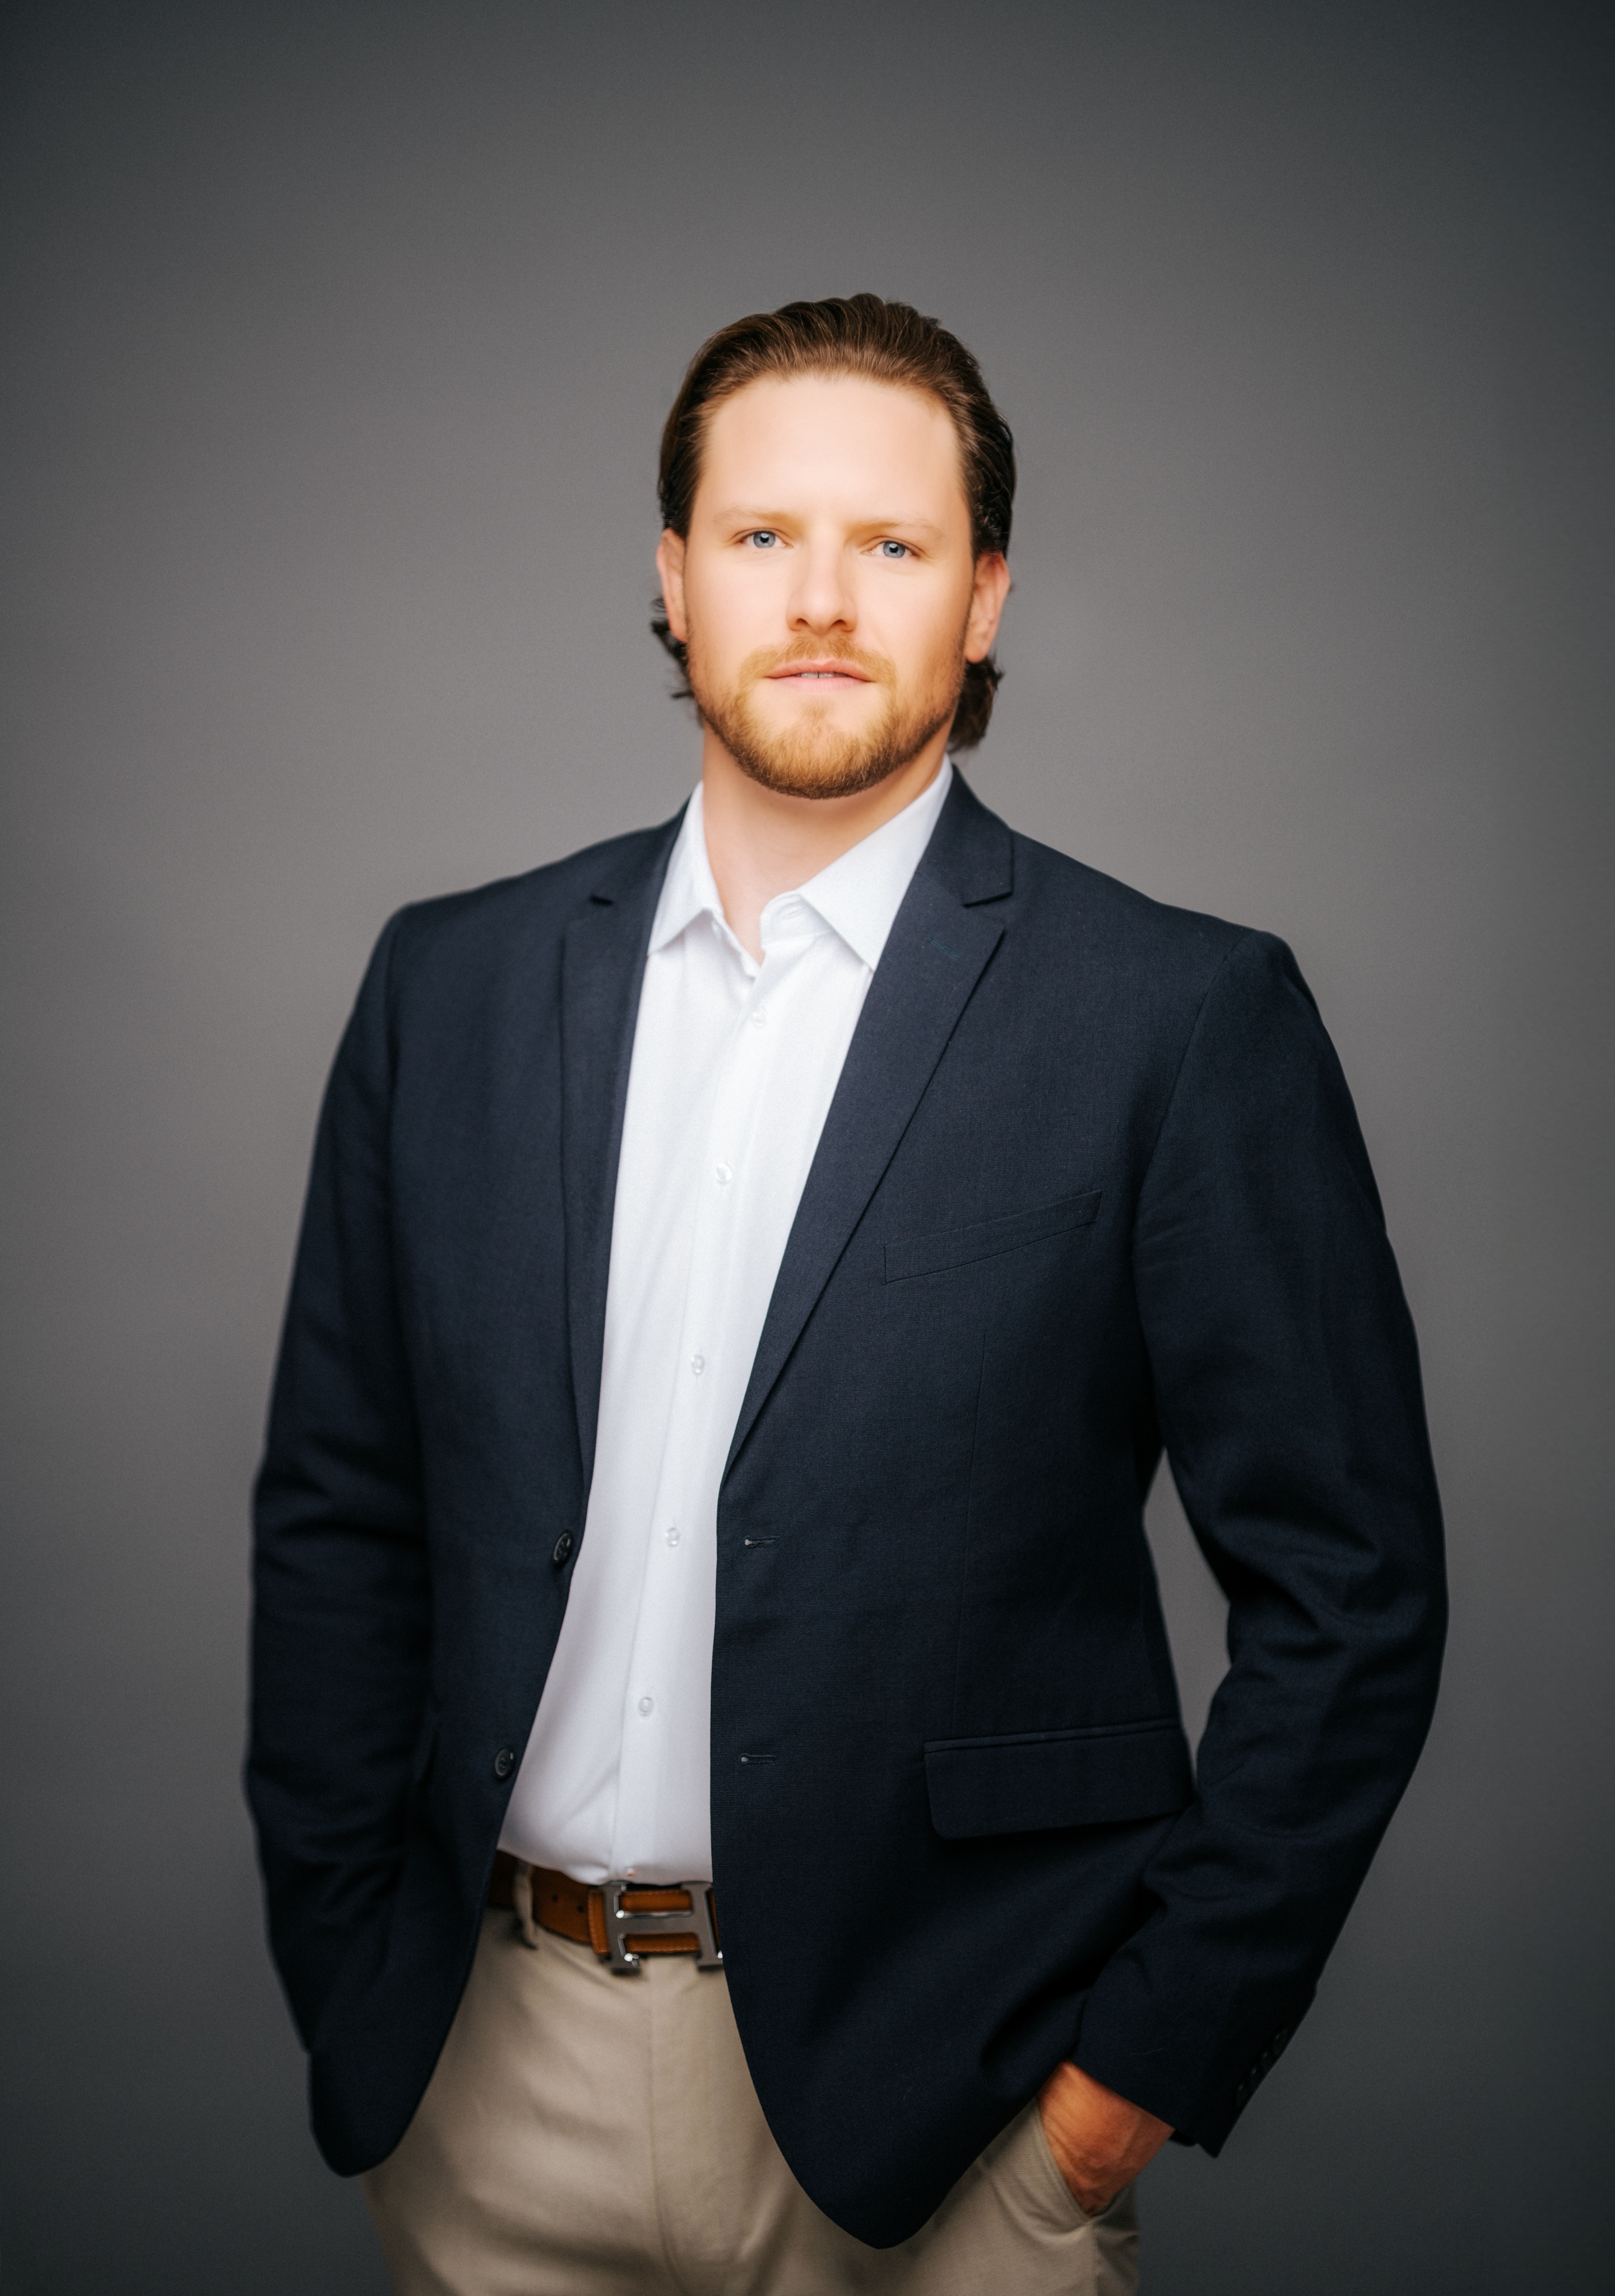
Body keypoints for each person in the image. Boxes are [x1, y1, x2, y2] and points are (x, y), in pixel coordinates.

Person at [248, 294, 1446, 2294]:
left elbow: (1354, 1594)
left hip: (954, 2108)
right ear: (673, 577)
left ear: (982, 599)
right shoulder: (445, 986)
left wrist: (1118, 2094)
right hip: (486, 2079)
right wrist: (344, 1960)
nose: (820, 598)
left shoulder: (1175, 1019)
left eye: (891, 543)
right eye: (760, 536)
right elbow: (339, 1513)